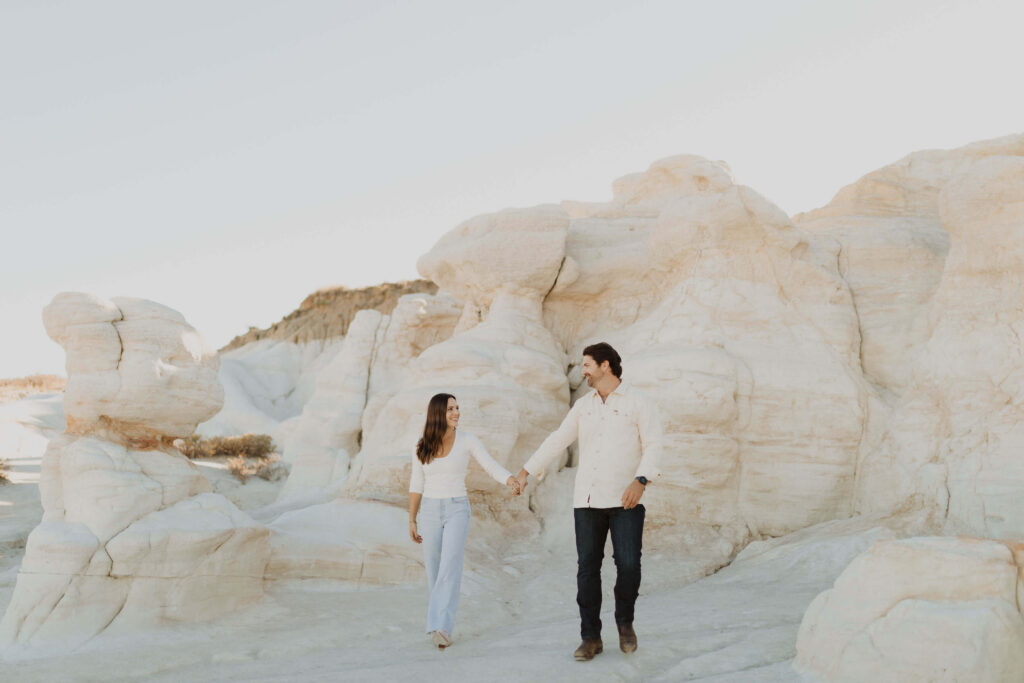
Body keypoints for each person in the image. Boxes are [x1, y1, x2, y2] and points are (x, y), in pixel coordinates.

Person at [515, 342, 662, 661]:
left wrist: (641, 480)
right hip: (587, 499)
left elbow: (654, 444)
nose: (582, 371)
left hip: (626, 501)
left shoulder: (639, 401)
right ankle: (590, 637)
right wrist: (527, 470)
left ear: (605, 365)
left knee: (629, 565)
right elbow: (558, 439)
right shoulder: (584, 406)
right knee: (587, 570)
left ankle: (624, 622)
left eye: (587, 365)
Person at [408, 392, 521, 650]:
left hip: (457, 508)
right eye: (450, 409)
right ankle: (438, 623)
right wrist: (412, 519)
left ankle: (443, 628)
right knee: (434, 569)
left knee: (450, 566)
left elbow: (490, 465)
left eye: (457, 408)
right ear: (438, 413)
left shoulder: (467, 440)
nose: (456, 412)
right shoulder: (421, 445)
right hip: (429, 510)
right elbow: (416, 483)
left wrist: (510, 479)